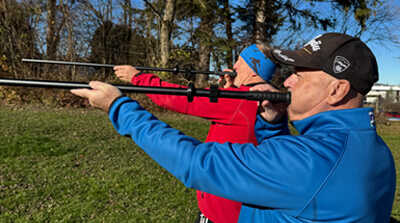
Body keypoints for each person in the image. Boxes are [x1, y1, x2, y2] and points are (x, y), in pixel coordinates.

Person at [71, 33, 396, 222]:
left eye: (300, 74)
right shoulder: (373, 148)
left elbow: (197, 163)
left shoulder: (312, 162)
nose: (288, 80)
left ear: (337, 91)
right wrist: (272, 124)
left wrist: (118, 106)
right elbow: (296, 182)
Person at [112, 43, 276, 223]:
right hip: (239, 207)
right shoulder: (268, 105)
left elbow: (180, 98)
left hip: (222, 211)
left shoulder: (240, 100)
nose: (235, 66)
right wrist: (231, 89)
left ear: (253, 71)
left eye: (240, 61)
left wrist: (138, 77)